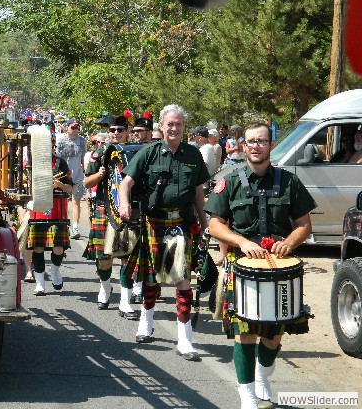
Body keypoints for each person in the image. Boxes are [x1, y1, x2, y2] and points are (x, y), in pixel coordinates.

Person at [204, 121, 316, 409]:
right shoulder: (228, 181)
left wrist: (289, 243)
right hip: (241, 264)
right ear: (243, 146)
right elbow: (215, 226)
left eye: (262, 141)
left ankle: (264, 375)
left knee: (274, 333)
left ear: (270, 145)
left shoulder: (289, 181)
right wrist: (241, 242)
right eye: (251, 141)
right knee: (246, 331)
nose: (256, 146)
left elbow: (304, 224)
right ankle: (248, 397)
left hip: (280, 265)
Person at [117, 104, 209, 358]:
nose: (174, 128)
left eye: (178, 124)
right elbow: (126, 183)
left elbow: (199, 195)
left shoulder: (193, 155)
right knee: (150, 278)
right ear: (161, 126)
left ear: (183, 128)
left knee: (182, 279)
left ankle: (184, 339)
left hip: (181, 223)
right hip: (153, 223)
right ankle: (146, 323)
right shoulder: (148, 153)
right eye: (170, 124)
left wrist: (205, 226)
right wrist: (124, 203)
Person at [83, 115, 139, 320]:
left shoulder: (136, 153)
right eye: (113, 130)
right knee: (104, 258)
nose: (116, 133)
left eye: (120, 130)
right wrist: (100, 175)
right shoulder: (99, 153)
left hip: (128, 211)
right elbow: (87, 183)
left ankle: (125, 302)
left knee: (127, 256)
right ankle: (105, 289)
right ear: (109, 132)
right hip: (103, 208)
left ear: (127, 132)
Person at [28, 132, 74, 295]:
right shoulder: (31, 163)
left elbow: (70, 188)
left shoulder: (60, 162)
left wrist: (58, 184)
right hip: (38, 208)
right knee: (38, 247)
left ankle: (55, 271)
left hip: (57, 208)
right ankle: (40, 283)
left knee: (58, 248)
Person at [55, 118, 87, 239]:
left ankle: (75, 227)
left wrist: (85, 173)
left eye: (77, 128)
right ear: (66, 127)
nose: (75, 130)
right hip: (63, 176)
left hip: (77, 175)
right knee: (61, 201)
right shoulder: (59, 140)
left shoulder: (82, 141)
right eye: (73, 128)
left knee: (76, 201)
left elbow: (83, 157)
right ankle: (61, 225)